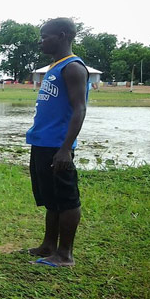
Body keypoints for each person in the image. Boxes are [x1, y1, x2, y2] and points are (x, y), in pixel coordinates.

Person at [24, 17, 90, 267]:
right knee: (50, 198)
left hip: (57, 146)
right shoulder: (55, 67)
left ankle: (65, 254)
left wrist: (65, 149)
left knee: (67, 198)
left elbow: (79, 110)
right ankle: (48, 245)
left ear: (62, 35)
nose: (41, 41)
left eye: (45, 36)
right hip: (42, 142)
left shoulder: (73, 68)